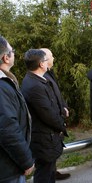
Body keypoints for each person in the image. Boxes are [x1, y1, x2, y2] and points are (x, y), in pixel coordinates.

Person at [21, 49, 68, 182]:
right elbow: (48, 114)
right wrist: (62, 124)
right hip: (44, 139)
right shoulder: (35, 85)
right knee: (44, 174)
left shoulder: (37, 80)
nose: (49, 62)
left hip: (47, 138)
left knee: (49, 172)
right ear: (42, 64)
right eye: (47, 60)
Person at [0, 36, 34, 183]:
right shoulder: (1, 86)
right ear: (6, 57)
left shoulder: (6, 83)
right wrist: (26, 160)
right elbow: (7, 128)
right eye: (12, 51)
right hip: (7, 169)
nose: (14, 54)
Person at [41, 48, 71, 180]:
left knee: (53, 151)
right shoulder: (42, 77)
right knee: (48, 156)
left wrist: (64, 106)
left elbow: (56, 94)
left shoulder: (49, 73)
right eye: (51, 56)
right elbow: (48, 103)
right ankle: (51, 172)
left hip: (58, 116)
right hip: (48, 126)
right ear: (44, 60)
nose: (53, 58)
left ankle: (53, 171)